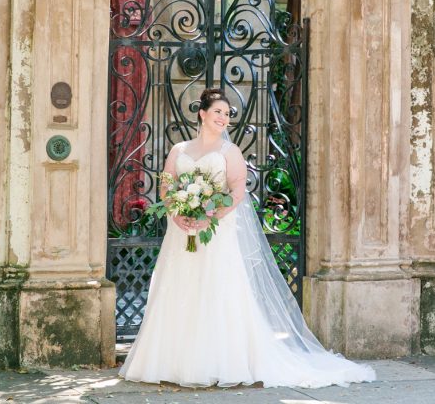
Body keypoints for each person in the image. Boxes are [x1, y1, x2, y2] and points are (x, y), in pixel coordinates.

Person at [119, 88, 376, 388]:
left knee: (218, 289)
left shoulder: (231, 153)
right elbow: (166, 187)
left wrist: (208, 217)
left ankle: (222, 361)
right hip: (181, 233)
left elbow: (237, 192)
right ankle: (173, 362)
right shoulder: (178, 150)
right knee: (179, 287)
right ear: (202, 113)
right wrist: (178, 214)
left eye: (227, 114)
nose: (223, 118)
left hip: (216, 233)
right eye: (218, 112)